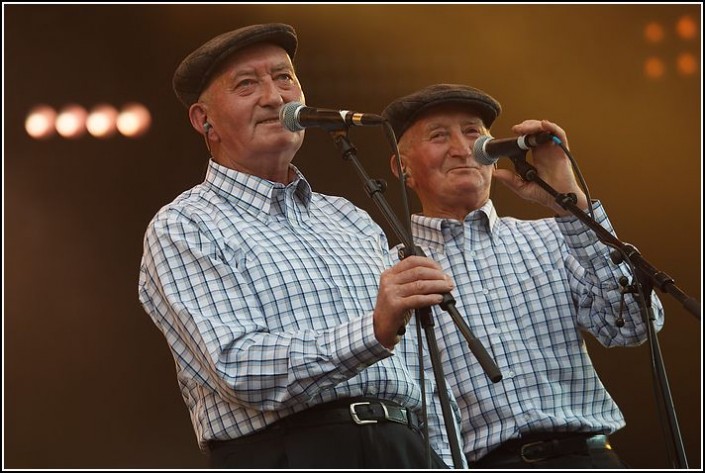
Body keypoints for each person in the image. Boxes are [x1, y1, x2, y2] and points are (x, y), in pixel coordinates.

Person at [138, 24, 464, 469]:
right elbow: (238, 365)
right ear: (203, 120)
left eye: (284, 77)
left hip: (405, 445)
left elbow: (419, 369)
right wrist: (371, 331)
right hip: (290, 451)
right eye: (247, 84)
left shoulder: (350, 217)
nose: (274, 97)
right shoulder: (185, 225)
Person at [380, 83, 665, 469]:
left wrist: (572, 204)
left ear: (494, 155)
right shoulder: (396, 272)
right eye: (438, 135)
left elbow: (633, 324)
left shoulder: (555, 235)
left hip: (589, 455)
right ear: (403, 168)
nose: (462, 149)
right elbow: (417, 408)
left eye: (473, 133)